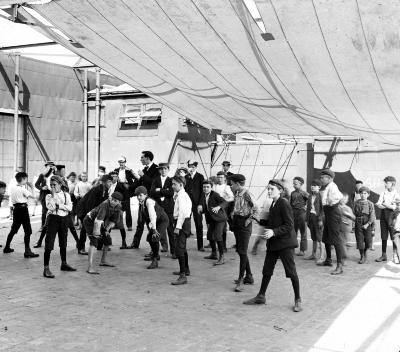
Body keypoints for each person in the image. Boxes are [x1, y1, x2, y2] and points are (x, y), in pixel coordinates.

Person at [243, 179, 302, 312]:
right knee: (267, 270)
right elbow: (272, 221)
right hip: (274, 242)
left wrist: (273, 232)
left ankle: (298, 299)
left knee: (291, 272)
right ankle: (261, 296)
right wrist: (257, 219)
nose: (268, 191)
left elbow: (289, 225)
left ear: (280, 190)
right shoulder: (274, 203)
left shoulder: (284, 203)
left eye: (271, 189)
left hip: (285, 243)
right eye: (268, 189)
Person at [43, 175, 76, 278]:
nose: (52, 187)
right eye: (51, 185)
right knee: (49, 244)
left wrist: (59, 205)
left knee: (63, 242)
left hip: (64, 220)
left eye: (54, 185)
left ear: (60, 185)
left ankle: (64, 263)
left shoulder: (66, 195)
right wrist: (53, 196)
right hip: (53, 219)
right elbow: (51, 207)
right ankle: (46, 268)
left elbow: (70, 208)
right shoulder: (48, 196)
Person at [230, 174, 258, 292]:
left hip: (244, 224)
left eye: (231, 184)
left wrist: (248, 220)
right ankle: (249, 276)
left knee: (242, 251)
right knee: (240, 251)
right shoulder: (237, 193)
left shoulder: (247, 194)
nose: (230, 186)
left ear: (237, 184)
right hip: (237, 222)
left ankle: (241, 279)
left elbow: (256, 209)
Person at [85, 192, 124, 274]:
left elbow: (113, 221)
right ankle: (90, 267)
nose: (113, 202)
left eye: (115, 201)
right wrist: (96, 233)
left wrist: (107, 230)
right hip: (90, 221)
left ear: (119, 202)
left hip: (101, 222)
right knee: (94, 242)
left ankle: (103, 261)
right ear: (110, 198)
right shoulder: (105, 204)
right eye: (112, 199)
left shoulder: (119, 207)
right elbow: (98, 221)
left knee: (107, 240)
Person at [3, 172, 39, 258]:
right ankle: (27, 251)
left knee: (14, 229)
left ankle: (7, 247)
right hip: (23, 210)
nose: (26, 181)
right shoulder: (22, 189)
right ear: (23, 179)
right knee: (28, 231)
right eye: (26, 179)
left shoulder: (12, 187)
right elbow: (34, 197)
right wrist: (32, 187)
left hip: (16, 210)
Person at [128, 151, 159, 248]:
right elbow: (139, 183)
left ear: (148, 158)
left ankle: (154, 248)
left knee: (151, 223)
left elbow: (154, 182)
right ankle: (135, 243)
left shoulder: (156, 169)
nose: (140, 159)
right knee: (140, 222)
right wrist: (128, 187)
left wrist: (143, 176)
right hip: (142, 200)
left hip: (151, 201)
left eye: (142, 157)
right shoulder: (145, 169)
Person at [76, 174, 112, 254]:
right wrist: (91, 216)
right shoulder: (96, 190)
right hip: (84, 209)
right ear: (103, 182)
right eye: (109, 182)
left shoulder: (105, 190)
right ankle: (80, 248)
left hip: (92, 210)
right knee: (84, 228)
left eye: (111, 182)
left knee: (99, 225)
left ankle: (100, 245)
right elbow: (89, 204)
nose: (110, 184)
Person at [135, 186, 169, 269]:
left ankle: (155, 261)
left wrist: (154, 229)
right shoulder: (142, 202)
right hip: (156, 221)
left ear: (146, 195)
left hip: (162, 220)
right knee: (149, 237)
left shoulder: (149, 202)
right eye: (137, 196)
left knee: (155, 237)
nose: (139, 197)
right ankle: (155, 255)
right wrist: (151, 229)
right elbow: (147, 217)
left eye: (141, 195)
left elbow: (152, 216)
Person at [317, 169, 344, 275]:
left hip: (333, 213)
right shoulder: (328, 187)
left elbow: (339, 197)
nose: (321, 179)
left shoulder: (333, 186)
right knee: (326, 237)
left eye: (323, 177)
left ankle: (340, 266)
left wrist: (331, 201)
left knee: (336, 239)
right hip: (328, 213)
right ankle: (328, 260)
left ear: (330, 178)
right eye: (321, 177)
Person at [198, 180, 228, 265]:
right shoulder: (203, 195)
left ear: (211, 188)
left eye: (208, 187)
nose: (206, 188)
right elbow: (206, 208)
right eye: (204, 187)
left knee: (218, 236)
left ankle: (222, 257)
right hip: (211, 219)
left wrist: (219, 207)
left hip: (220, 218)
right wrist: (200, 209)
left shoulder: (215, 194)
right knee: (210, 236)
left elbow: (225, 202)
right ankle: (214, 254)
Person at [171, 176, 192, 285]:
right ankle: (186, 269)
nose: (172, 186)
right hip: (183, 222)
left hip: (182, 223)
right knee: (182, 248)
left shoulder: (182, 196)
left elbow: (183, 213)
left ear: (181, 185)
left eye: (174, 184)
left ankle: (183, 276)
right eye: (172, 183)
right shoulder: (180, 195)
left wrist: (178, 227)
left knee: (179, 249)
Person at [150, 162, 175, 256]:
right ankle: (158, 249)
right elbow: (152, 192)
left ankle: (173, 251)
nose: (163, 171)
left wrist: (160, 190)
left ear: (168, 170)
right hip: (158, 208)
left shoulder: (171, 180)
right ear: (159, 170)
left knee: (170, 230)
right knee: (158, 229)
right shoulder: (156, 180)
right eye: (161, 169)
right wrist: (165, 191)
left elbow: (171, 193)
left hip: (169, 208)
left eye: (165, 169)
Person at [375, 176, 398, 262]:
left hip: (392, 217)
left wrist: (386, 205)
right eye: (385, 182)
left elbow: (395, 207)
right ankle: (383, 255)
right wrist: (383, 205)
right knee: (383, 236)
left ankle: (395, 256)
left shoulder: (396, 194)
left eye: (387, 183)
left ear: (393, 184)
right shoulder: (383, 193)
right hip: (383, 216)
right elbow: (379, 203)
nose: (385, 184)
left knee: (393, 236)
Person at [184, 160, 205, 251]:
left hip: (197, 204)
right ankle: (183, 245)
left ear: (196, 167)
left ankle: (200, 246)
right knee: (185, 222)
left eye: (193, 166)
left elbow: (202, 192)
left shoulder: (200, 177)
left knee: (199, 224)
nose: (191, 168)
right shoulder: (185, 177)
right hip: (187, 203)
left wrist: (200, 204)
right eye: (190, 166)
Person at [353, 186, 376, 264]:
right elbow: (354, 214)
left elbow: (372, 215)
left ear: (368, 194)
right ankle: (362, 255)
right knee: (359, 239)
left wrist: (368, 224)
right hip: (358, 221)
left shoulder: (370, 204)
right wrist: (354, 224)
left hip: (367, 222)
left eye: (365, 193)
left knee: (368, 240)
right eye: (361, 193)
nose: (363, 195)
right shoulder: (356, 203)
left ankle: (365, 251)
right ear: (360, 194)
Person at [213, 171, 234, 251]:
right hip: (214, 208)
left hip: (223, 209)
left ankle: (224, 246)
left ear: (225, 178)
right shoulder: (214, 186)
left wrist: (224, 201)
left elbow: (232, 197)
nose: (220, 179)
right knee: (214, 227)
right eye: (218, 177)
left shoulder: (227, 187)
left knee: (223, 228)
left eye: (221, 177)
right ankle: (214, 247)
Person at [108, 171, 129, 249]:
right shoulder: (108, 185)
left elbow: (126, 197)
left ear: (118, 177)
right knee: (108, 225)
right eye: (112, 176)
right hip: (108, 207)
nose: (114, 177)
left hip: (118, 208)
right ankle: (108, 243)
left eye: (115, 176)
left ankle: (124, 242)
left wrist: (122, 208)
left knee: (120, 225)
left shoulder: (121, 186)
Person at [305, 179, 325, 262]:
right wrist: (307, 219)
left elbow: (323, 209)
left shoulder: (321, 196)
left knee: (320, 238)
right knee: (313, 238)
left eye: (315, 185)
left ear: (319, 187)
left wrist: (320, 219)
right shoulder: (310, 196)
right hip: (311, 218)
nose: (312, 187)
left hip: (318, 218)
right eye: (312, 185)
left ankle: (322, 256)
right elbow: (308, 209)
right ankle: (313, 254)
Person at [114, 156, 135, 231]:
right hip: (119, 188)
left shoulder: (129, 170)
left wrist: (129, 186)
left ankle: (129, 225)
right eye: (120, 162)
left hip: (126, 189)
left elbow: (136, 179)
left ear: (125, 162)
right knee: (117, 206)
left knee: (127, 208)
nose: (121, 163)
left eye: (122, 162)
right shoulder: (116, 170)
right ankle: (117, 224)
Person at [290, 177, 309, 256]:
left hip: (302, 213)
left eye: (296, 184)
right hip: (293, 213)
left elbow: (310, 202)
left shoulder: (304, 193)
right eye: (293, 183)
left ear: (301, 184)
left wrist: (306, 207)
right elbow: (290, 203)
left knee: (303, 232)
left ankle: (302, 250)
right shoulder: (292, 193)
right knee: (293, 232)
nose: (294, 185)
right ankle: (292, 249)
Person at [35, 161, 56, 230]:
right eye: (48, 166)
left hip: (53, 194)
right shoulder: (42, 175)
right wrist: (42, 188)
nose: (50, 167)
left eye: (51, 166)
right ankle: (43, 225)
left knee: (53, 210)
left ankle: (51, 225)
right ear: (46, 167)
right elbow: (36, 184)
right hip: (44, 194)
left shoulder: (55, 175)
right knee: (44, 211)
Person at [339, 193, 355, 262]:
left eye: (345, 199)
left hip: (346, 228)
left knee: (344, 242)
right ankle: (343, 256)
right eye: (342, 198)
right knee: (341, 242)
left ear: (347, 200)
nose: (343, 200)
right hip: (338, 227)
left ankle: (343, 256)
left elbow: (354, 218)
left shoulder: (348, 208)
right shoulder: (337, 207)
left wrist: (348, 214)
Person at [388, 198, 400, 264]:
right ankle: (395, 257)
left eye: (399, 204)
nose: (399, 206)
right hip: (396, 232)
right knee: (396, 245)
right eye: (397, 204)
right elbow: (389, 224)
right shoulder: (393, 213)